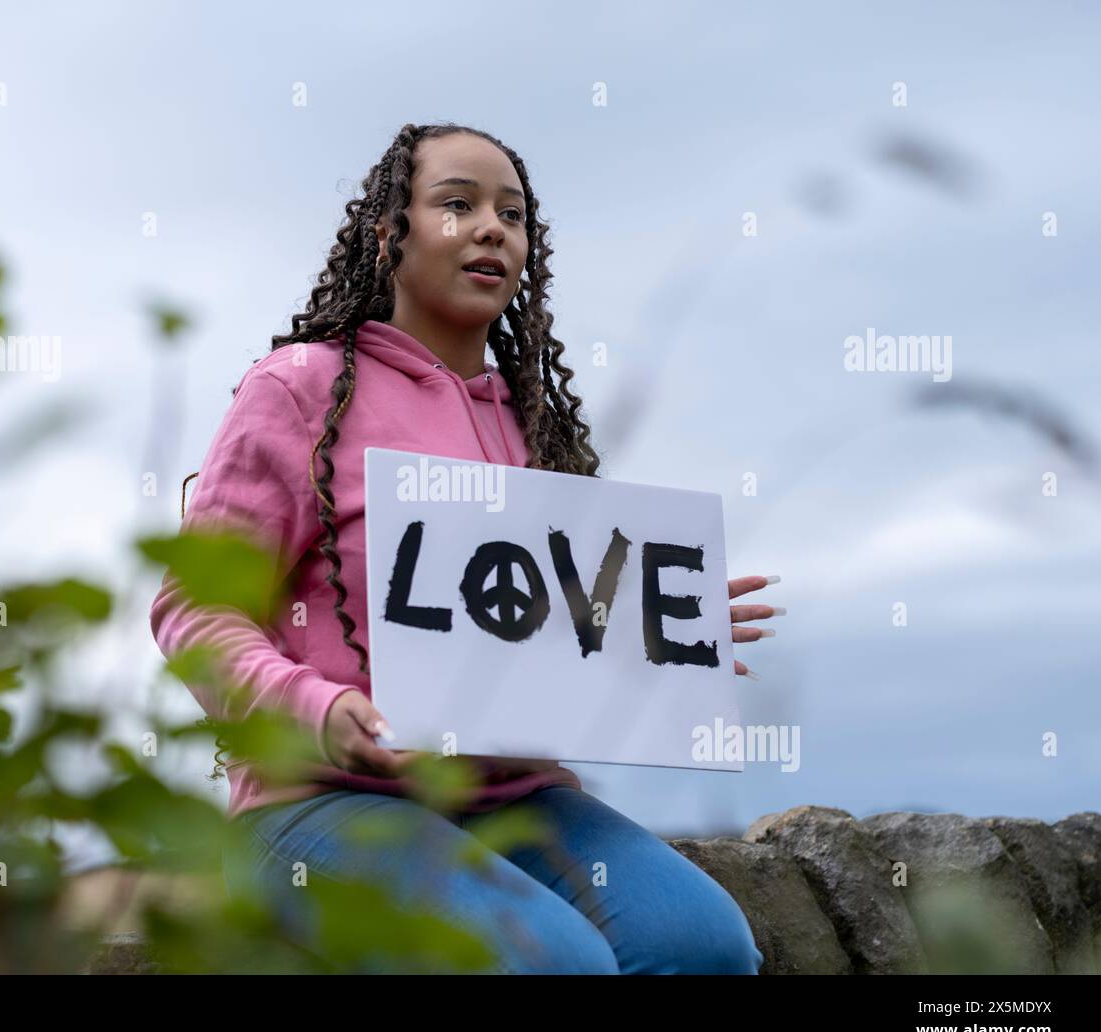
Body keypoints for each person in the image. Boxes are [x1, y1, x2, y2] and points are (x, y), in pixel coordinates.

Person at [150, 122, 779, 974]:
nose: (492, 227)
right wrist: (321, 713)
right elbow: (193, 612)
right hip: (318, 806)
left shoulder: (532, 429)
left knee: (706, 946)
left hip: (513, 801)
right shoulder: (298, 389)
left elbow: (540, 637)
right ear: (389, 235)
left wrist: (655, 635)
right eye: (457, 204)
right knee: (555, 965)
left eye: (512, 214)